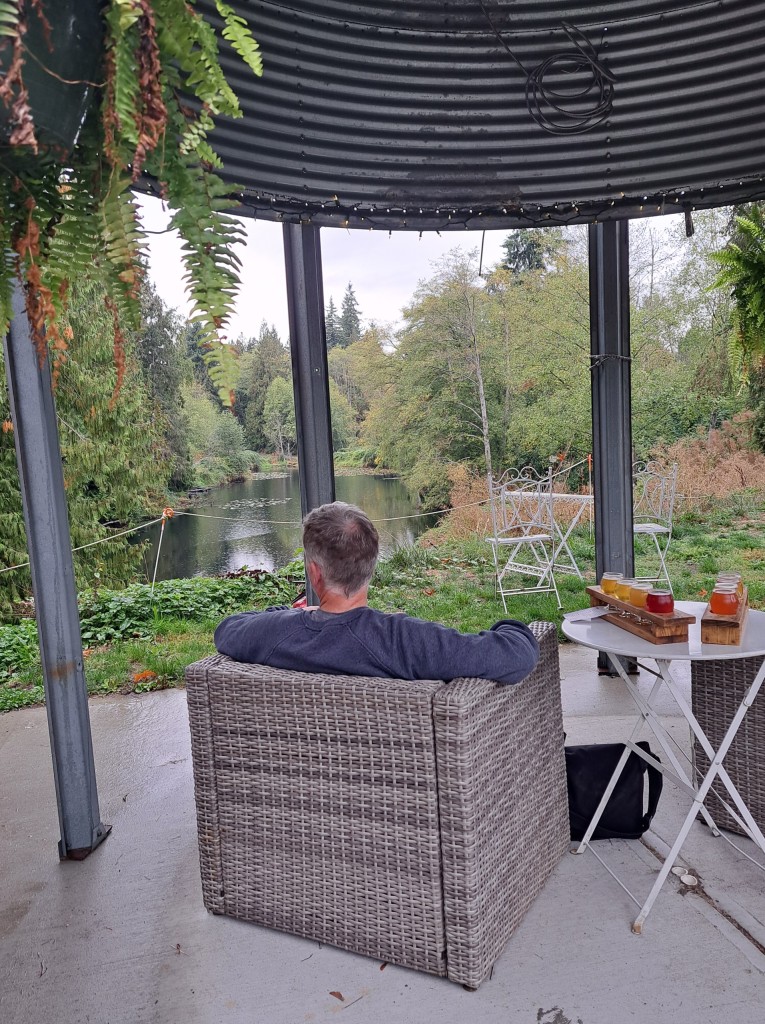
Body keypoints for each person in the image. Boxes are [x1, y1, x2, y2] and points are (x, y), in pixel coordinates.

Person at [214, 501, 539, 685]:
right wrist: (510, 626)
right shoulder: (405, 641)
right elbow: (518, 654)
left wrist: (294, 615)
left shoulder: (278, 636)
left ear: (314, 572)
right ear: (371, 565)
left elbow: (227, 630)